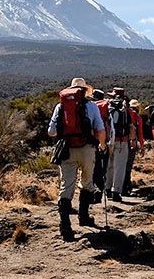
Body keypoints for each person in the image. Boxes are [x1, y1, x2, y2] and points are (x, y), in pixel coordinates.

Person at [48, 78, 107, 240]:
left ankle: (65, 226)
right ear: (85, 91)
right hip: (87, 149)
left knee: (66, 186)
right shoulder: (92, 106)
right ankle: (84, 217)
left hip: (66, 150)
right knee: (87, 183)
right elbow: (100, 129)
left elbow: (51, 132)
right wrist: (102, 145)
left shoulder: (60, 106)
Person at [103, 87, 134, 202]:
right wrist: (133, 140)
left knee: (109, 165)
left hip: (109, 140)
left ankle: (107, 188)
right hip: (122, 140)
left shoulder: (107, 105)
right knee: (119, 166)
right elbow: (131, 126)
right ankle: (116, 191)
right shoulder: (126, 108)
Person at [91, 89, 114, 203]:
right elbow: (108, 128)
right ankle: (99, 191)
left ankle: (91, 193)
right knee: (101, 169)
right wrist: (104, 143)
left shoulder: (89, 107)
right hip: (102, 142)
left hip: (89, 142)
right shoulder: (106, 109)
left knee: (91, 169)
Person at [122, 99, 144, 195]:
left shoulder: (124, 113)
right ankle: (126, 186)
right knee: (128, 165)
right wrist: (141, 146)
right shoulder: (137, 117)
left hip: (121, 141)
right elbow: (140, 133)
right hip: (132, 143)